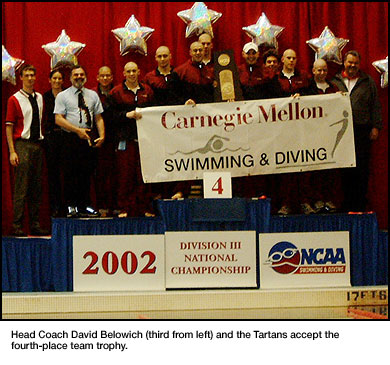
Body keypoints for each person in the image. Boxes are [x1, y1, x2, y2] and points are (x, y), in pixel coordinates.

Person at [331, 50, 382, 212]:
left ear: (359, 64)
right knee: (345, 170)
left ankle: (360, 203)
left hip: (362, 131)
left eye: (355, 63)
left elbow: (375, 105)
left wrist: (376, 126)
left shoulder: (367, 81)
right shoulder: (334, 81)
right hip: (341, 132)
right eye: (349, 62)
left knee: (362, 169)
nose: (352, 65)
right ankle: (348, 204)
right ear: (344, 63)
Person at [54, 65, 105, 218]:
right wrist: (77, 131)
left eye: (82, 74)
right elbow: (58, 119)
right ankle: (71, 207)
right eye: (75, 75)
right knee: (70, 174)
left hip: (88, 137)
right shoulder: (63, 96)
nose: (79, 77)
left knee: (86, 173)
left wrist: (102, 135)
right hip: (70, 138)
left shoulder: (92, 95)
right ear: (70, 78)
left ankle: (84, 206)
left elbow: (98, 117)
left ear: (86, 77)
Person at [5, 64, 48, 236]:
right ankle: (16, 225)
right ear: (21, 78)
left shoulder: (39, 97)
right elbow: (9, 127)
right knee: (21, 186)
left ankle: (35, 224)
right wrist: (12, 151)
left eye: (33, 75)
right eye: (27, 75)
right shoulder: (14, 99)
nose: (30, 78)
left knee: (36, 187)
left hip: (38, 145)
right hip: (22, 144)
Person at [109, 62, 155, 217]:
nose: (131, 74)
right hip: (125, 140)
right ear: (123, 73)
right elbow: (110, 118)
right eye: (128, 71)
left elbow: (155, 112)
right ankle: (124, 208)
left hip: (144, 140)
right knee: (125, 175)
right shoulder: (116, 93)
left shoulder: (147, 91)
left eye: (134, 71)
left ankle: (144, 207)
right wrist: (126, 115)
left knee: (144, 175)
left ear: (139, 72)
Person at [276, 49, 313, 215]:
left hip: (301, 130)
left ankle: (304, 201)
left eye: (294, 58)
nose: (291, 60)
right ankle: (285, 203)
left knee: (303, 167)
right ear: (283, 59)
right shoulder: (275, 79)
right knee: (285, 169)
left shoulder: (304, 78)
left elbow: (314, 98)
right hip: (282, 131)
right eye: (288, 58)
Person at [305, 59, 340, 213]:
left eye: (324, 70)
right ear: (313, 71)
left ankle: (328, 199)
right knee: (314, 170)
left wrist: (341, 98)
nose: (321, 73)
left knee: (330, 170)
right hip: (312, 134)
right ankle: (316, 199)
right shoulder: (307, 88)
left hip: (330, 134)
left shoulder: (333, 88)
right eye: (318, 70)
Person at [92, 66, 116, 217]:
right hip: (97, 139)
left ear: (112, 77)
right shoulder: (91, 94)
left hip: (115, 138)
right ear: (97, 77)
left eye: (108, 76)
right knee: (99, 175)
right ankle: (101, 206)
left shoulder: (118, 92)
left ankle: (115, 205)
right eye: (102, 76)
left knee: (115, 174)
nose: (105, 78)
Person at [43, 68, 65, 218]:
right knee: (53, 175)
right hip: (51, 138)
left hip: (67, 137)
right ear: (50, 80)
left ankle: (68, 207)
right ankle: (55, 208)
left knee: (68, 174)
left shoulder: (68, 95)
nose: (57, 81)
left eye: (59, 79)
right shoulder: (44, 97)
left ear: (63, 81)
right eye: (54, 78)